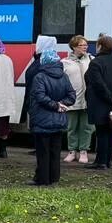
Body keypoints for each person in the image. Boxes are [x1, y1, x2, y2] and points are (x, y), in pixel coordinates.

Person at [28, 49, 75, 186]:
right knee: (55, 151)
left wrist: (55, 105)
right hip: (59, 119)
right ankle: (54, 178)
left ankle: (43, 179)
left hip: (42, 119)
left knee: (43, 152)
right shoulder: (64, 76)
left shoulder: (40, 77)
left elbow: (40, 97)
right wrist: (61, 105)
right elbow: (72, 96)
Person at [85, 34, 112, 170]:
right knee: (111, 132)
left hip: (100, 103)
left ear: (100, 46)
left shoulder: (96, 63)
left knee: (102, 132)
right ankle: (109, 160)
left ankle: (101, 162)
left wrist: (111, 97)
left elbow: (98, 84)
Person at [62, 35, 94, 164]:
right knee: (71, 127)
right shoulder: (64, 62)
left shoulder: (91, 60)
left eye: (86, 45)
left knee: (87, 127)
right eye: (82, 45)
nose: (85, 47)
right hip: (72, 100)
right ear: (74, 47)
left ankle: (83, 151)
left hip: (87, 101)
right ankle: (71, 151)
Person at [19, 35, 57, 125]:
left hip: (39, 109)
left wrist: (26, 109)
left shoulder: (36, 66)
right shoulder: (56, 65)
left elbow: (30, 91)